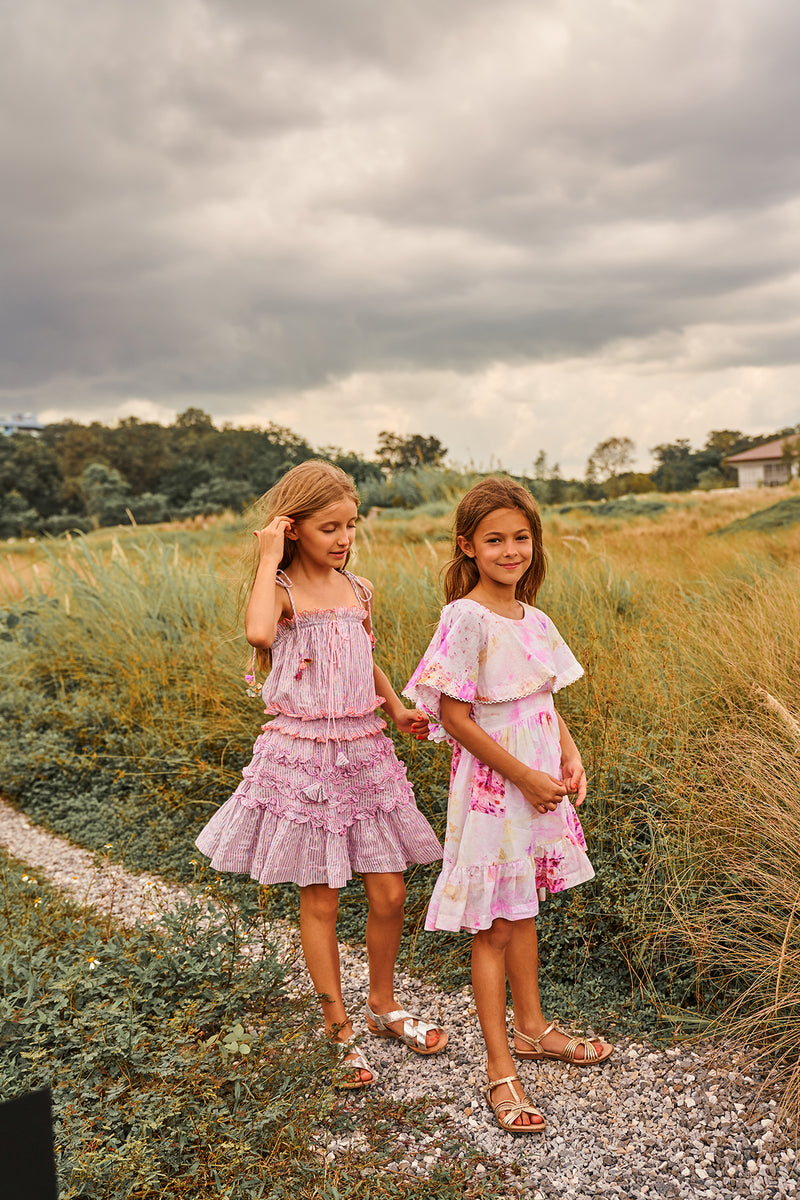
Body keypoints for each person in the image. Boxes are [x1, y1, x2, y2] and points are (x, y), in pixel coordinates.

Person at [196, 460, 447, 1087]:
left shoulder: (358, 590)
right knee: (323, 895)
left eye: (350, 526)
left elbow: (365, 658)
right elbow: (256, 632)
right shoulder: (279, 594)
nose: (342, 538)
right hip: (304, 757)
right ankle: (339, 1031)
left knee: (390, 892)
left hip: (363, 750)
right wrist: (267, 557)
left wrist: (395, 706)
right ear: (293, 528)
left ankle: (383, 1005)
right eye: (327, 526)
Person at [404, 477, 612, 1134]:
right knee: (494, 925)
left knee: (524, 912)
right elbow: (458, 718)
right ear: (467, 546)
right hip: (497, 787)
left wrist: (569, 753)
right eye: (495, 539)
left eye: (520, 538)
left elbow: (543, 699)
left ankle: (532, 1028)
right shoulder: (465, 617)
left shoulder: (535, 617)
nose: (510, 550)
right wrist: (523, 774)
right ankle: (501, 1068)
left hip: (537, 774)